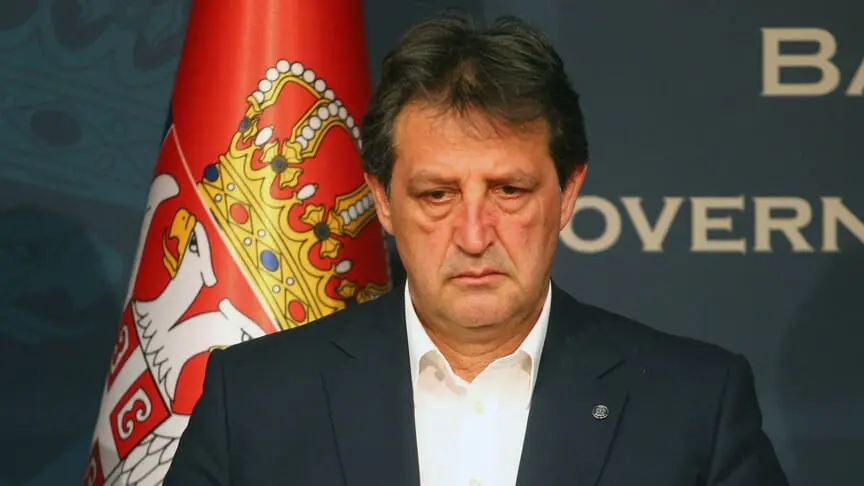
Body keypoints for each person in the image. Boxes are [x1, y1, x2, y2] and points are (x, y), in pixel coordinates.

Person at [164, 12, 789, 486]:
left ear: (568, 193)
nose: (473, 235)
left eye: (509, 191)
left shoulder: (693, 404)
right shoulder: (253, 400)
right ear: (383, 201)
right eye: (437, 195)